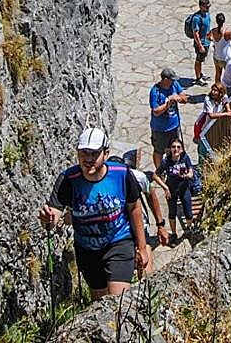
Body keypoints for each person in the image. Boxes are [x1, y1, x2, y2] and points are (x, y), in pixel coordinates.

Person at [39, 128, 150, 300]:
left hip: (119, 242)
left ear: (106, 154)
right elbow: (54, 213)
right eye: (84, 153)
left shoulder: (121, 174)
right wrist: (48, 219)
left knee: (118, 301)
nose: (88, 159)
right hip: (87, 250)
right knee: (99, 302)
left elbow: (134, 208)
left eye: (94, 154)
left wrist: (142, 248)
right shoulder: (69, 180)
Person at [114, 149, 170, 249]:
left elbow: (151, 195)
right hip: (118, 231)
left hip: (138, 226)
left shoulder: (138, 177)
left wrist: (160, 225)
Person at [153, 139, 195, 245]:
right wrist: (165, 187)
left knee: (188, 212)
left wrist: (187, 175)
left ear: (181, 149)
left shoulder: (185, 158)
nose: (176, 149)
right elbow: (155, 175)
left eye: (178, 147)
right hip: (171, 190)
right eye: (173, 147)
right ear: (170, 149)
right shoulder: (166, 161)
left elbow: (191, 171)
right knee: (172, 213)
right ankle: (174, 233)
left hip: (184, 188)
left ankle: (189, 229)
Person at [149, 67, 189, 168]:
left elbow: (184, 98)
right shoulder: (155, 92)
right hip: (160, 129)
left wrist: (178, 98)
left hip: (174, 126)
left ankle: (173, 167)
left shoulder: (174, 85)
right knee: (159, 151)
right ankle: (159, 171)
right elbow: (156, 112)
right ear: (165, 80)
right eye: (171, 80)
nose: (174, 82)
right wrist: (168, 103)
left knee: (175, 148)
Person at [196, 81, 231, 163]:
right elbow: (211, 115)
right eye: (212, 90)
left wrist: (228, 109)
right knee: (203, 147)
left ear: (220, 93)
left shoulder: (222, 96)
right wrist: (226, 113)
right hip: (205, 126)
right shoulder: (208, 99)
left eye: (215, 90)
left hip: (214, 126)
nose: (213, 92)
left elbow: (226, 100)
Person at [188, 0, 212, 86]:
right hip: (201, 43)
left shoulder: (207, 14)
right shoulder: (197, 18)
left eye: (209, 6)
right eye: (206, 7)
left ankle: (201, 74)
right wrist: (200, 45)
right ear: (201, 7)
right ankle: (198, 78)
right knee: (198, 60)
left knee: (202, 60)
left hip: (207, 41)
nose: (208, 8)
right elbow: (196, 33)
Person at [209, 13, 231, 83]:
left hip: (217, 56)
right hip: (225, 58)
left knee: (218, 74)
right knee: (229, 75)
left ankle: (217, 88)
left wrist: (214, 41)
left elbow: (208, 37)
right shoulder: (226, 32)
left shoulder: (213, 31)